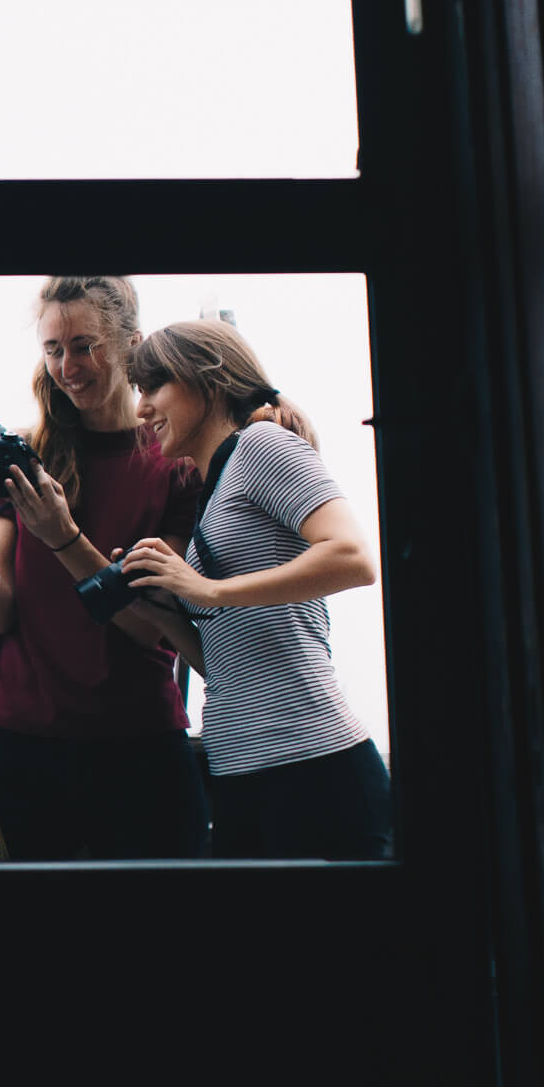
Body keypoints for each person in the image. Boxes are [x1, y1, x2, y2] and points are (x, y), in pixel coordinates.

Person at [0, 274, 209, 862]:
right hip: (18, 732)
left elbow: (150, 626)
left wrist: (63, 537)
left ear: (132, 343)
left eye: (84, 346)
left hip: (137, 737)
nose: (67, 367)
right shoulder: (27, 455)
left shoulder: (176, 463)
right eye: (53, 349)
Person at [119, 318, 393, 860]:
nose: (141, 409)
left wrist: (207, 590)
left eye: (154, 387)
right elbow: (229, 663)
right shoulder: (213, 489)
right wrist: (165, 612)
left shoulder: (261, 446)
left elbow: (354, 558)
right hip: (238, 775)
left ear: (208, 378)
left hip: (314, 767)